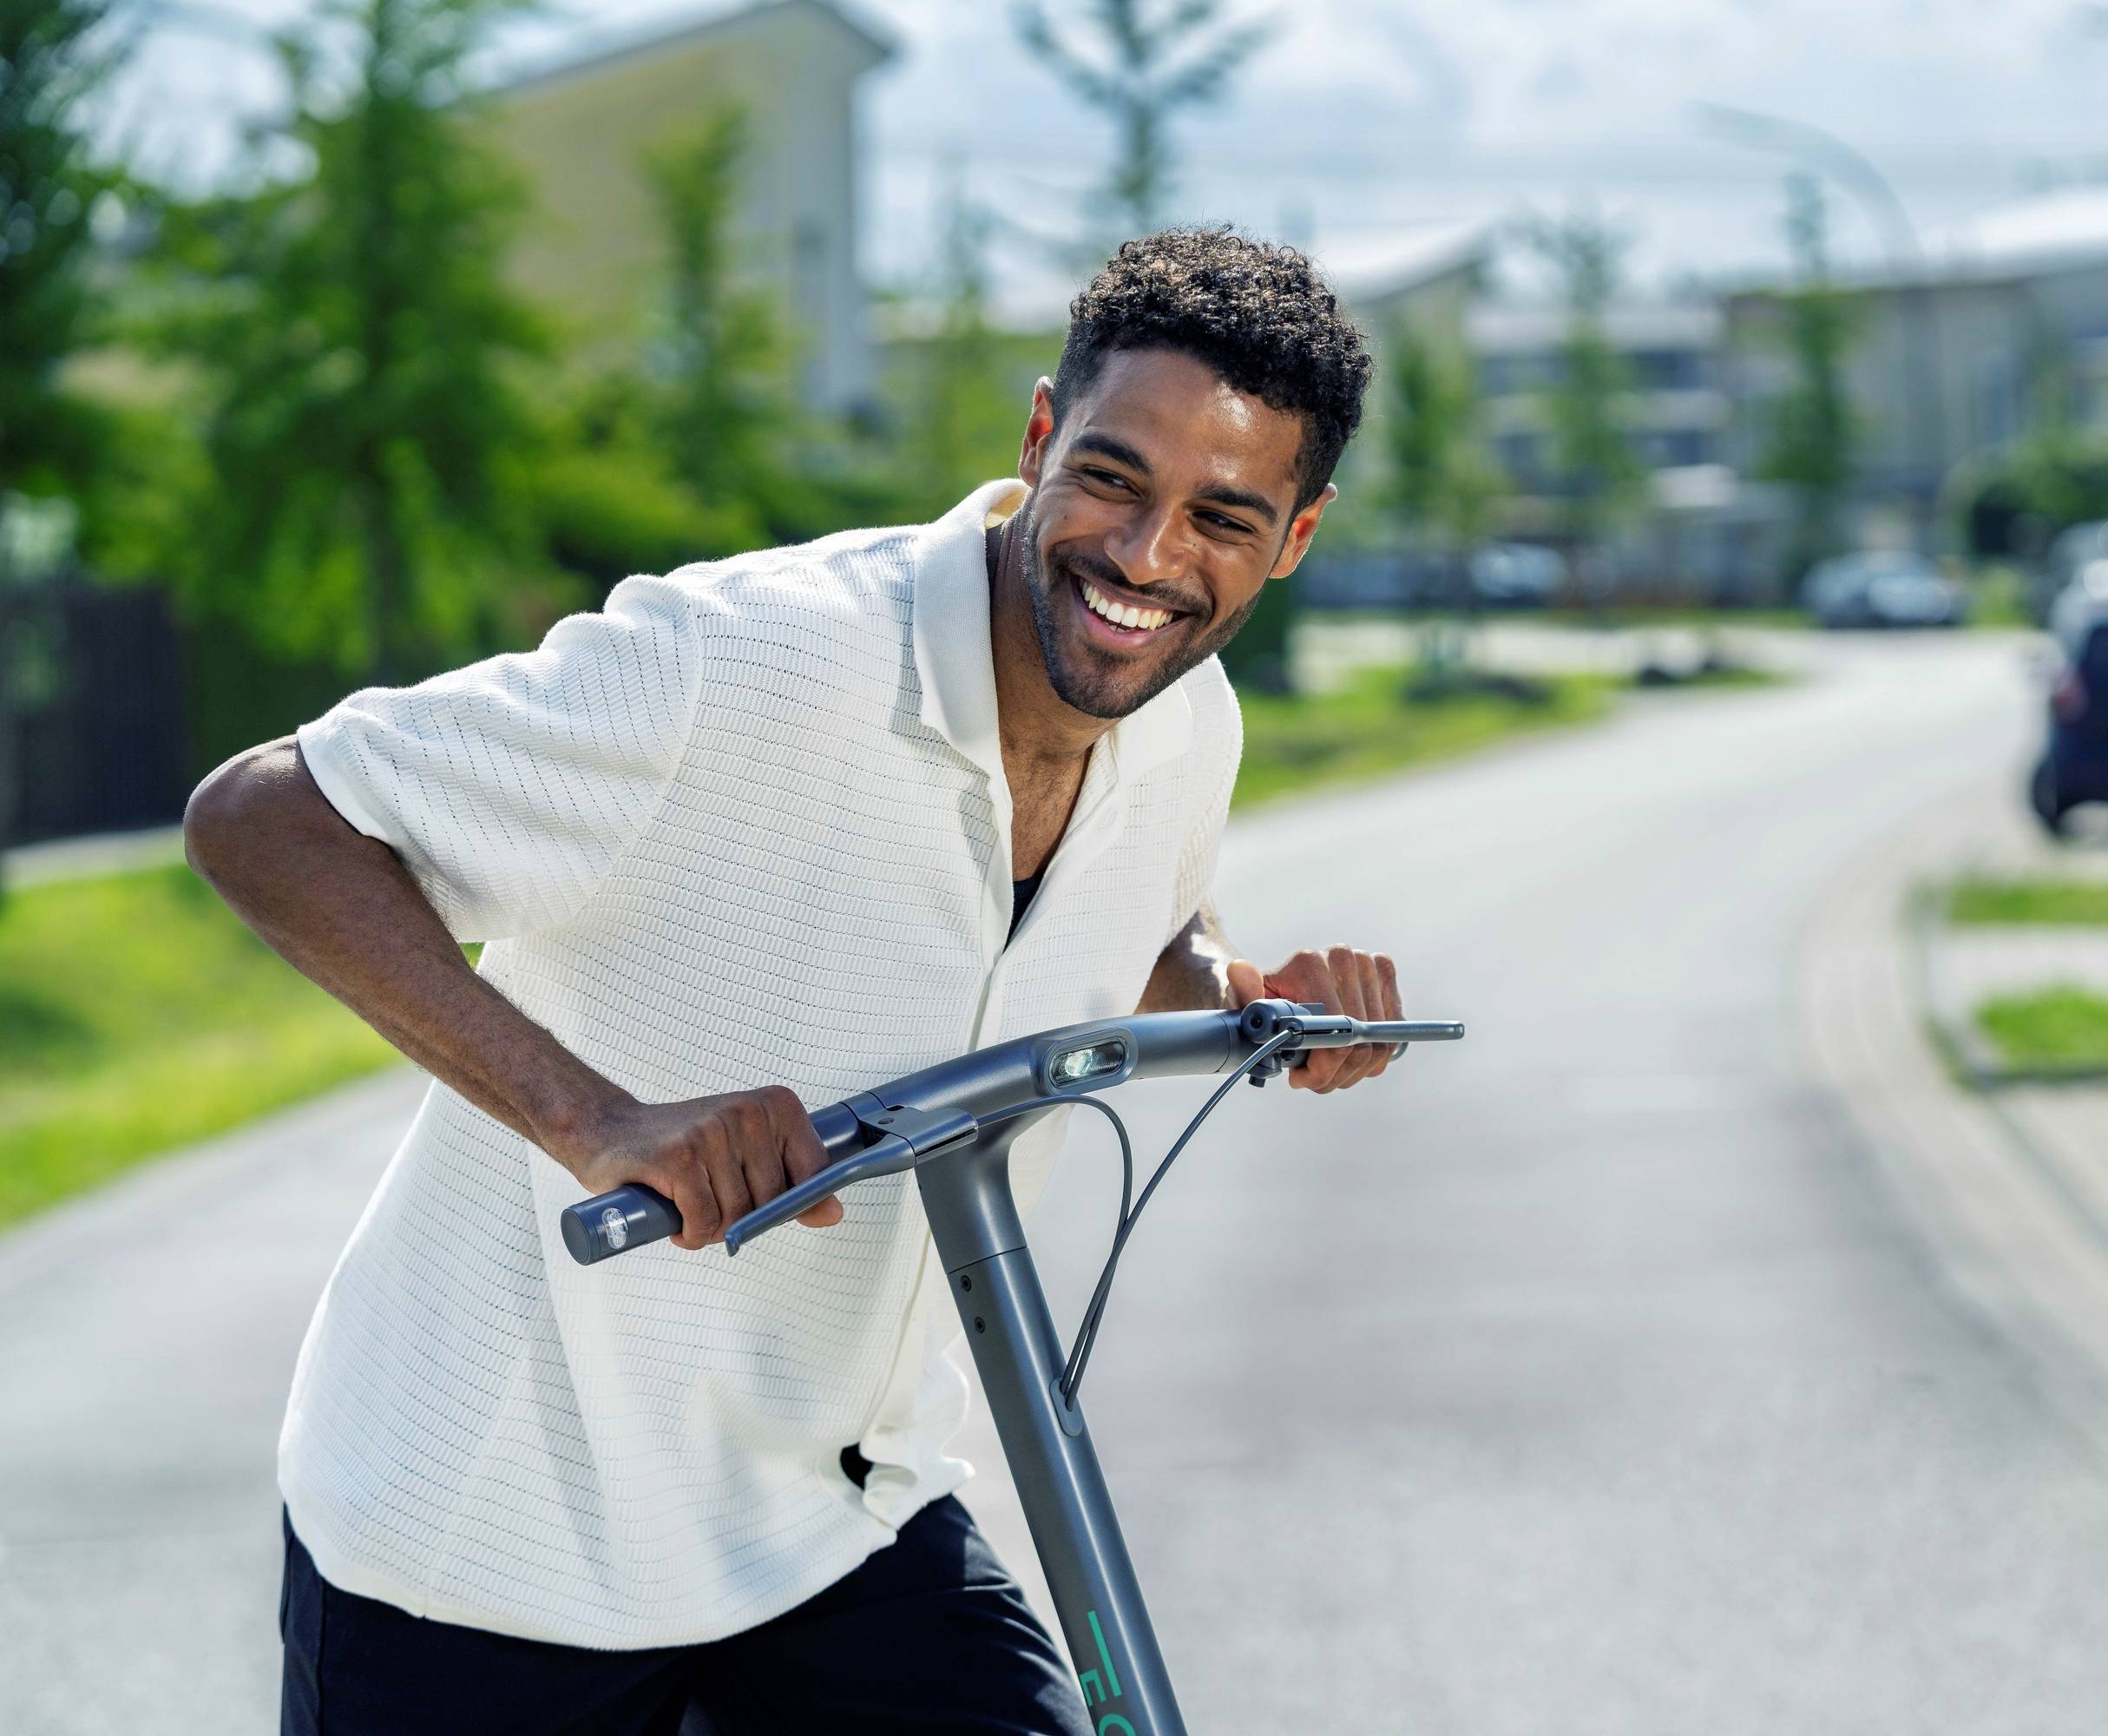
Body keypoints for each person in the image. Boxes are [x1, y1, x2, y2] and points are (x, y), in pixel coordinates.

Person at [184, 227, 1401, 1736]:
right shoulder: (748, 663)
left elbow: (1125, 925)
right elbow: (263, 815)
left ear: (1294, 536)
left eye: (1222, 514)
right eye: (1111, 478)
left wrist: (1243, 995)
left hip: (833, 1516)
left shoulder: (1183, 714)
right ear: (1037, 437)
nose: (1148, 559)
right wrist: (598, 1121)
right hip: (499, 1549)